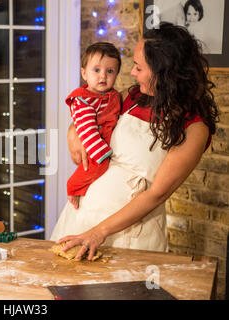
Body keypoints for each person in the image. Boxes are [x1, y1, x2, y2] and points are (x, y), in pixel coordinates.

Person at [50, 22, 219, 261]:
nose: (131, 73)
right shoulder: (132, 97)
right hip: (84, 216)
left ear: (163, 71)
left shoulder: (194, 127)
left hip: (130, 232)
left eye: (139, 67)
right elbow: (89, 114)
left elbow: (157, 194)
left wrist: (99, 232)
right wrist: (72, 132)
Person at [65, 42, 122, 210]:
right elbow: (86, 129)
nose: (103, 76)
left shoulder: (113, 95)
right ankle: (73, 187)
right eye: (96, 70)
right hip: (95, 147)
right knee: (96, 167)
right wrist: (102, 153)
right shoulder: (83, 100)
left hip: (104, 143)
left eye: (110, 71)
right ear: (84, 73)